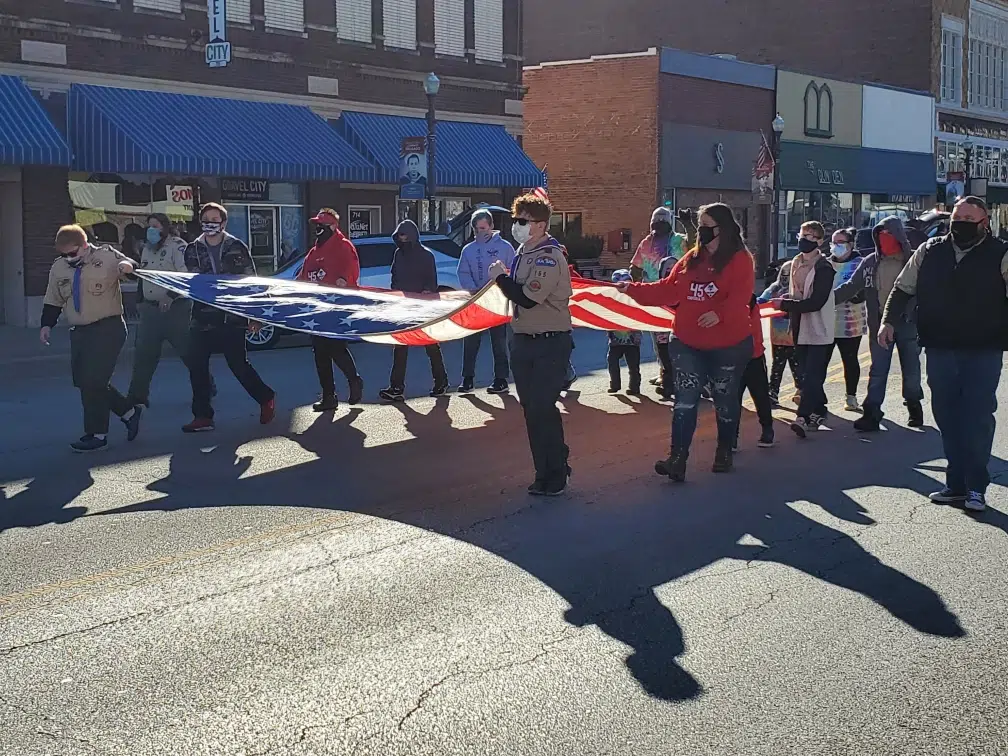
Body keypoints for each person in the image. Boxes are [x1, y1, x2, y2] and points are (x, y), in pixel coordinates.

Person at [881, 197, 1008, 512]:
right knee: (948, 418)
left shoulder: (1001, 253)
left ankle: (976, 487)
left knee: (977, 418)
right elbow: (902, 289)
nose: (960, 221)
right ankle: (956, 485)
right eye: (956, 215)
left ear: (984, 222)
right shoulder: (929, 251)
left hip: (983, 350)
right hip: (939, 348)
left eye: (968, 216)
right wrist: (888, 321)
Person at [617, 203, 754, 480]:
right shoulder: (692, 259)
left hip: (728, 345)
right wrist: (632, 289)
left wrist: (719, 314)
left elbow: (742, 295)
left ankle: (724, 451)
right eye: (699, 225)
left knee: (724, 400)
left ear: (723, 229)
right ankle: (677, 459)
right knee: (685, 401)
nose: (700, 231)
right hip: (687, 342)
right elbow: (668, 289)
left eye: (706, 225)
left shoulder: (740, 259)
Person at [488, 192, 574, 496]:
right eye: (515, 219)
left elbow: (527, 296)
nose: (517, 225)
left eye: (522, 221)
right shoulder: (523, 252)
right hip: (523, 342)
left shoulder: (549, 255)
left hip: (550, 343)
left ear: (539, 224)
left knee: (542, 407)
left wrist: (500, 278)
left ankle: (557, 470)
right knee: (531, 410)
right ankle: (545, 471)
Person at [40, 224, 143, 452]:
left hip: (108, 328)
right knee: (84, 383)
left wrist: (127, 266)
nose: (68, 258)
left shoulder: (106, 256)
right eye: (63, 254)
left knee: (94, 381)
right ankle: (128, 412)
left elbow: (132, 266)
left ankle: (98, 435)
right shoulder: (59, 267)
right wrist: (46, 324)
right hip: (80, 331)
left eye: (72, 253)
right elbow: (53, 298)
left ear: (84, 246)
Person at [182, 203, 276, 433]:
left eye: (215, 219)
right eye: (206, 219)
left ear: (223, 223)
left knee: (237, 364)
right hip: (202, 317)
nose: (209, 223)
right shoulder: (192, 249)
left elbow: (250, 282)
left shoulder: (236, 247)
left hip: (231, 317)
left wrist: (255, 315)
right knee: (197, 366)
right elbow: (191, 281)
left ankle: (265, 397)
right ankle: (203, 416)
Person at [834, 216, 924, 432]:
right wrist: (824, 300)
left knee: (911, 368)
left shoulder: (912, 261)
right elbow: (850, 287)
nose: (884, 240)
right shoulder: (870, 263)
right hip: (880, 324)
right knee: (878, 370)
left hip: (908, 323)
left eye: (888, 235)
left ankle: (913, 403)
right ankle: (872, 412)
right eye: (880, 236)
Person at [126, 213, 216, 408]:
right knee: (144, 354)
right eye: (149, 226)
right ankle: (137, 396)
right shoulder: (146, 249)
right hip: (150, 310)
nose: (151, 230)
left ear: (165, 228)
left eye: (155, 226)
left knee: (188, 352)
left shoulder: (177, 246)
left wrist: (170, 295)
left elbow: (187, 276)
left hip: (177, 309)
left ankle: (207, 384)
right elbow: (145, 275)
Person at [297, 208, 364, 411]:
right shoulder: (315, 251)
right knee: (320, 353)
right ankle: (328, 396)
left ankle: (354, 380)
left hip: (337, 307)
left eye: (321, 226)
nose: (317, 229)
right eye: (316, 226)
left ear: (333, 227)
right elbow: (303, 275)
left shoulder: (344, 246)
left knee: (335, 349)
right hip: (317, 309)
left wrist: (344, 280)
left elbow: (351, 269)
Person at [774, 221, 836, 439]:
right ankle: (820, 410)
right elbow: (796, 293)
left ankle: (802, 416)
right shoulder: (795, 263)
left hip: (820, 328)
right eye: (802, 235)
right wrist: (785, 300)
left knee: (812, 374)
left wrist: (786, 305)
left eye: (810, 237)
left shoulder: (824, 268)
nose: (804, 240)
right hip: (800, 327)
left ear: (820, 241)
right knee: (805, 373)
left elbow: (816, 301)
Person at [379, 220, 450, 402]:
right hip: (403, 306)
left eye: (404, 235)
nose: (401, 238)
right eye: (399, 235)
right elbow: (394, 276)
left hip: (423, 307)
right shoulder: (398, 254)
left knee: (431, 345)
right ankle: (396, 387)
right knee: (400, 348)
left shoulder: (426, 255)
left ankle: (441, 382)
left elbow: (432, 280)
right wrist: (395, 292)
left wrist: (426, 291)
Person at [456, 209, 515, 393]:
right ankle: (467, 378)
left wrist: (503, 287)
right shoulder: (468, 250)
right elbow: (463, 272)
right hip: (475, 301)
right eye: (476, 229)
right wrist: (472, 288)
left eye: (483, 227)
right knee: (471, 341)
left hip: (497, 301)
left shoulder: (505, 247)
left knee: (499, 341)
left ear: (491, 226)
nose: (480, 232)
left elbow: (513, 271)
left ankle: (501, 379)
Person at [630, 207, 687, 394]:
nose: (659, 222)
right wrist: (635, 286)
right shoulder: (647, 242)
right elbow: (635, 266)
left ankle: (676, 375)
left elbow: (695, 248)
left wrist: (689, 225)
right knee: (658, 337)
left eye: (663, 219)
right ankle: (665, 372)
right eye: (657, 219)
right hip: (653, 295)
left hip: (675, 295)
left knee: (673, 338)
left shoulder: (678, 240)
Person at [826, 227, 868, 412]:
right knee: (821, 360)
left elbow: (860, 291)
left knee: (849, 360)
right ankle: (815, 397)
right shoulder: (825, 264)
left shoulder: (861, 263)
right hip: (826, 321)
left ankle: (851, 396)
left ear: (850, 245)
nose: (835, 246)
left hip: (851, 323)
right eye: (833, 242)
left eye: (840, 243)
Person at [736, 294, 775, 449]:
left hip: (753, 358)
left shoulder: (748, 302)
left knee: (760, 397)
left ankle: (767, 429)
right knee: (732, 400)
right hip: (736, 359)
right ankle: (731, 436)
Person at [757, 269, 801, 407]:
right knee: (777, 366)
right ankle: (773, 393)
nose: (785, 278)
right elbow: (762, 301)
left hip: (795, 336)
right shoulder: (774, 288)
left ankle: (801, 392)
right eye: (783, 275)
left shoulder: (798, 288)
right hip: (778, 336)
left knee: (797, 367)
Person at [606, 269, 642, 395]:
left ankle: (634, 387)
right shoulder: (611, 301)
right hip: (615, 340)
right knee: (612, 361)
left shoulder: (635, 300)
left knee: (633, 365)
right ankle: (615, 385)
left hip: (632, 340)